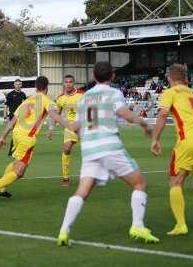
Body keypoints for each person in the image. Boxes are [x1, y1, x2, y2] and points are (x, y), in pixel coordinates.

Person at [57, 62, 159, 246]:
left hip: (89, 150)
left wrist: (57, 118)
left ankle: (64, 231)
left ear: (94, 77)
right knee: (139, 183)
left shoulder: (85, 97)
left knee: (82, 191)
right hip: (109, 147)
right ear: (112, 76)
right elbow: (126, 116)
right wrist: (144, 124)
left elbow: (75, 127)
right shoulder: (113, 93)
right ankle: (137, 225)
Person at [0, 76, 71, 204]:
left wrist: (3, 136)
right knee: (19, 172)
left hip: (17, 134)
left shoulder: (28, 100)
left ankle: (2, 189)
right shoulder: (46, 100)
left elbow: (13, 119)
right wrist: (70, 126)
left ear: (36, 87)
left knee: (15, 163)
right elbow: (54, 115)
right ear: (47, 87)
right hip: (27, 138)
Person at [151, 63, 193, 236]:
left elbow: (163, 115)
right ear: (185, 78)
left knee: (176, 182)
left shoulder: (169, 93)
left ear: (169, 78)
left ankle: (181, 225)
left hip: (189, 140)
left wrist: (155, 139)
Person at [47, 75, 84, 187]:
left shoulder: (82, 95)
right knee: (66, 149)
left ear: (74, 83)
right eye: (66, 82)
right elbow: (55, 114)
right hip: (70, 127)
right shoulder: (60, 98)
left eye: (70, 82)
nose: (68, 84)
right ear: (63, 84)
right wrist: (51, 128)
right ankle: (65, 177)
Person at [4, 79, 26, 156]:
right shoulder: (10, 94)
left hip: (21, 117)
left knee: (20, 134)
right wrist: (5, 116)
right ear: (14, 85)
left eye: (19, 84)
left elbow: (24, 106)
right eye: (17, 84)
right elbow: (6, 105)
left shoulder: (23, 94)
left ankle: (16, 150)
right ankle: (11, 152)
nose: (18, 85)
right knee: (15, 134)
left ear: (21, 85)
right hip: (12, 117)